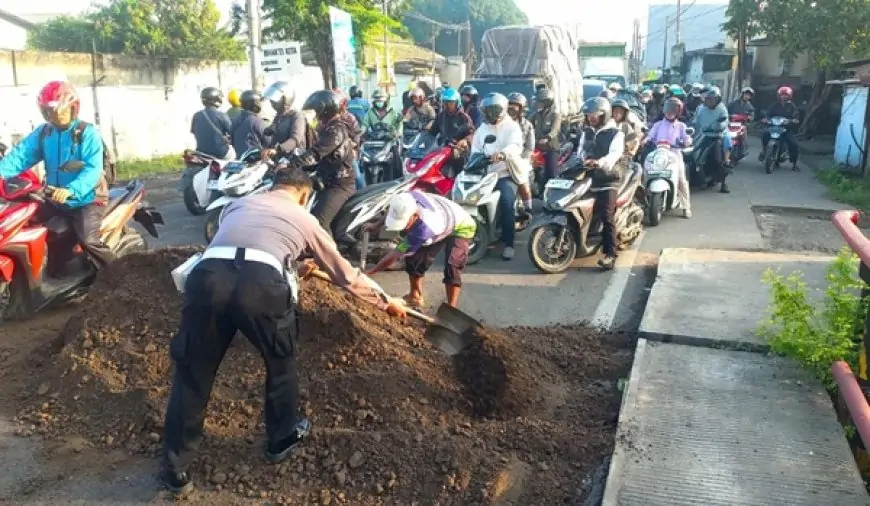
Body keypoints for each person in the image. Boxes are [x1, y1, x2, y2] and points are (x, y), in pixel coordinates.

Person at [160, 165, 407, 496]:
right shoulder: (305, 218)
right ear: (303, 195)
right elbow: (344, 275)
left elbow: (244, 244)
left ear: (273, 186)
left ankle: (176, 468)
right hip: (261, 287)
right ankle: (281, 437)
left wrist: (291, 262)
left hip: (209, 277)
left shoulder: (239, 204)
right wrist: (385, 300)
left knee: (193, 371)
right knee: (280, 362)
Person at [0, 80, 114, 271]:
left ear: (73, 108)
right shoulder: (44, 133)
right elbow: (20, 157)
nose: (56, 115)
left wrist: (71, 190)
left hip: (87, 200)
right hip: (55, 198)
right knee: (31, 228)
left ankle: (118, 275)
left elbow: (93, 169)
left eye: (61, 110)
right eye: (50, 111)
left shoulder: (87, 133)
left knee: (88, 240)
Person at [365, 191, 476, 309]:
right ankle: (415, 296)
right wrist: (375, 225)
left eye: (406, 223)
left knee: (452, 266)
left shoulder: (424, 229)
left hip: (462, 226)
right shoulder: (405, 199)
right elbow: (393, 212)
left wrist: (371, 271)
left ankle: (451, 309)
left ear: (415, 215)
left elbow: (395, 254)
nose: (403, 227)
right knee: (414, 259)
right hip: (442, 218)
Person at [572, 97, 626, 271]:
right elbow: (580, 151)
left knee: (606, 214)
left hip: (608, 178)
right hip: (587, 177)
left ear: (604, 115)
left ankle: (611, 254)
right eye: (588, 115)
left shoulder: (616, 133)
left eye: (595, 115)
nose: (591, 118)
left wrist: (599, 162)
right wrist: (581, 159)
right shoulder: (587, 132)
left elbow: (615, 154)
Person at [470, 93, 525, 260]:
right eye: (485, 111)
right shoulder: (483, 128)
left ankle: (509, 244)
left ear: (499, 110)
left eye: (490, 110)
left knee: (507, 203)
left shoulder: (512, 127)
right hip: (485, 174)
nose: (487, 114)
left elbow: (515, 146)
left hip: (505, 173)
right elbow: (476, 149)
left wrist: (503, 154)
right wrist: (476, 157)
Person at [302, 90, 358, 233]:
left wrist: (293, 163)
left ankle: (329, 255)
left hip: (340, 184)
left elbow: (316, 153)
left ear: (324, 109)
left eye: (316, 110)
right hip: (327, 180)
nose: (315, 115)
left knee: (319, 222)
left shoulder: (336, 130)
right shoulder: (327, 127)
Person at [645, 97, 693, 218]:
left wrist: (686, 142)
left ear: (678, 112)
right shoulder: (658, 125)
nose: (669, 112)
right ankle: (643, 200)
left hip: (674, 156)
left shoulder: (681, 126)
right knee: (645, 173)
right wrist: (645, 140)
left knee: (682, 180)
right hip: (658, 155)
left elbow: (687, 138)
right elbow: (650, 136)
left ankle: (686, 206)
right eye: (668, 109)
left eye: (673, 110)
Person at [428, 87, 475, 176]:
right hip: (442, 149)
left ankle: (457, 183)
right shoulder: (441, 116)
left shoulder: (464, 118)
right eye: (445, 102)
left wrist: (465, 140)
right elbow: (432, 132)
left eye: (451, 102)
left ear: (457, 102)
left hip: (459, 150)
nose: (447, 105)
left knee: (454, 169)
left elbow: (472, 133)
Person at [693, 86, 732, 193]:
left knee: (720, 160)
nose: (710, 102)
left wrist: (719, 125)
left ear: (717, 100)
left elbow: (725, 121)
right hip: (704, 135)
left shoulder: (722, 108)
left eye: (713, 99)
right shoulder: (701, 109)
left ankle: (724, 183)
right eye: (708, 99)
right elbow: (696, 120)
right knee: (695, 155)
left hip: (718, 135)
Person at [361, 89, 403, 181]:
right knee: (364, 159)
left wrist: (397, 132)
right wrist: (361, 132)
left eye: (381, 101)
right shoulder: (370, 112)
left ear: (386, 101)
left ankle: (397, 180)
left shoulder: (393, 112)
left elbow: (399, 123)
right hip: (374, 141)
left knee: (396, 161)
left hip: (389, 140)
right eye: (376, 101)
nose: (378, 103)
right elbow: (365, 124)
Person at [260, 81, 308, 161]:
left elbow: (295, 140)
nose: (272, 102)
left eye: (275, 100)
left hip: (294, 160)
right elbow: (272, 132)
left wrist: (277, 150)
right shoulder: (279, 116)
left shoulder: (296, 116)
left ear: (286, 98)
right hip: (279, 158)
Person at [758, 86, 800, 171]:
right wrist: (766, 119)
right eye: (782, 95)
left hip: (785, 129)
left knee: (793, 144)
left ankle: (794, 163)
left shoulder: (792, 107)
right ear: (779, 95)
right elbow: (768, 113)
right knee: (765, 134)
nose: (783, 96)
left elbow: (796, 117)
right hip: (774, 127)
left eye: (785, 95)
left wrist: (792, 121)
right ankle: (764, 150)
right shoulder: (775, 105)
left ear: (789, 96)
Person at [508, 92, 536, 217]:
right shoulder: (502, 123)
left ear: (522, 108)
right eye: (511, 105)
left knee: (522, 180)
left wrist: (521, 159)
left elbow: (529, 147)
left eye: (516, 106)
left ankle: (528, 208)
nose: (512, 108)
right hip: (504, 158)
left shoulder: (527, 125)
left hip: (520, 159)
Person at [334, 89, 365, 190]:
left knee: (357, 177)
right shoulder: (325, 119)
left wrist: (353, 147)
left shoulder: (349, 118)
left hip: (347, 153)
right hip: (330, 154)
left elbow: (357, 134)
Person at [531, 87, 562, 186]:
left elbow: (555, 130)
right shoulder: (535, 115)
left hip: (550, 148)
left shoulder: (555, 115)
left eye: (539, 102)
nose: (537, 105)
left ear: (547, 103)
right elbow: (527, 125)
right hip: (536, 148)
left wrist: (547, 138)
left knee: (551, 173)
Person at [191, 87, 233, 159]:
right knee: (234, 155)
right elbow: (232, 132)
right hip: (220, 153)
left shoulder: (196, 115)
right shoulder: (221, 115)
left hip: (201, 153)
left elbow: (194, 132)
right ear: (216, 99)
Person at [230, 90, 270, 157]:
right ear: (255, 103)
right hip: (255, 159)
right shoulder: (257, 121)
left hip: (239, 158)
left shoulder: (236, 119)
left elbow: (232, 141)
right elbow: (269, 142)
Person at [728, 86, 755, 161]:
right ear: (742, 94)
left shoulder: (750, 107)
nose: (747, 96)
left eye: (749, 95)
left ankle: (743, 151)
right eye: (746, 94)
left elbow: (752, 116)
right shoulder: (733, 104)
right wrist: (730, 116)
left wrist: (749, 117)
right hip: (731, 124)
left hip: (742, 125)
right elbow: (726, 112)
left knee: (743, 138)